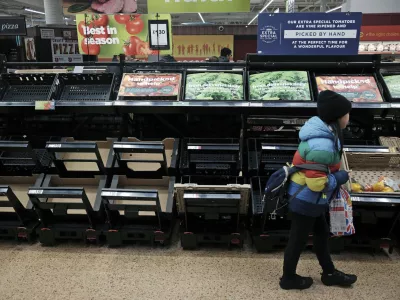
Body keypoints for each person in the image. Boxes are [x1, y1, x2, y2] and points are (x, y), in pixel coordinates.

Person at [280, 90, 357, 290]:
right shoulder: (322, 144)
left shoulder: (325, 133)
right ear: (337, 116)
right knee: (298, 239)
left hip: (310, 198)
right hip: (307, 198)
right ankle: (288, 278)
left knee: (321, 234)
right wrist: (339, 177)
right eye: (347, 113)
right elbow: (316, 183)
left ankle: (329, 273)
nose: (349, 117)